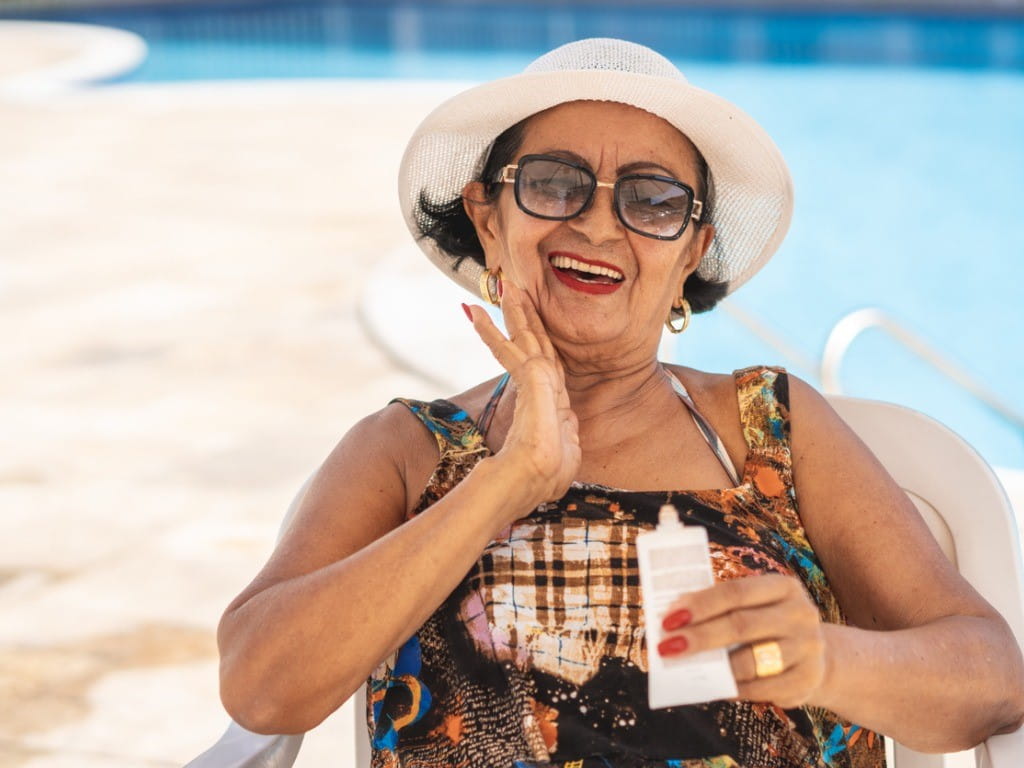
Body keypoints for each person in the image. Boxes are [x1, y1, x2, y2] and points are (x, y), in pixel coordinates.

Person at [216, 38, 1024, 767]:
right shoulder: (407, 452)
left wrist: (823, 658)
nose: (600, 223)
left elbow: (993, 677)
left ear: (691, 254)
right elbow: (260, 689)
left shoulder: (771, 431)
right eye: (554, 184)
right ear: (486, 219)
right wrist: (509, 479)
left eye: (653, 200)